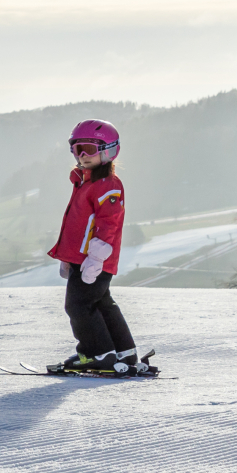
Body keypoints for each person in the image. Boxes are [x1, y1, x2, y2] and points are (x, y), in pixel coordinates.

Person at [47, 119, 153, 375]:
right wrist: (67, 257)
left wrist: (95, 259)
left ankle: (96, 353)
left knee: (78, 306)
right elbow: (78, 225)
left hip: (94, 262)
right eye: (76, 149)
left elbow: (109, 223)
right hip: (81, 260)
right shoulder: (85, 182)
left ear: (108, 150)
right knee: (102, 303)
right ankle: (123, 352)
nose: (82, 156)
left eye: (89, 149)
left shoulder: (108, 185)